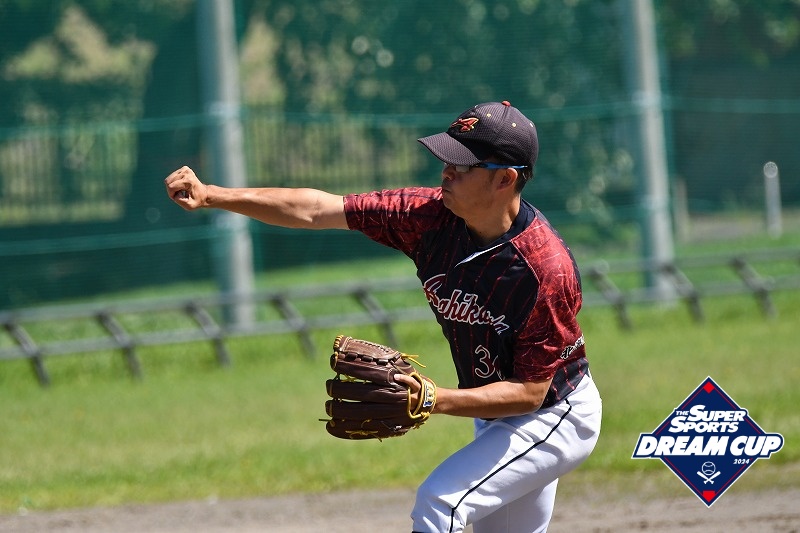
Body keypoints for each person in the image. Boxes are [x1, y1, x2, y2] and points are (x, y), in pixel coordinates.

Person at [164, 100, 602, 533]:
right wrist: (213, 195)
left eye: (462, 165)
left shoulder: (545, 268)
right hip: (494, 413)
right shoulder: (428, 218)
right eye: (446, 159)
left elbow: (529, 392)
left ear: (504, 178)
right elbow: (316, 209)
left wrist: (434, 399)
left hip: (554, 415)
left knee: (441, 502)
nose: (446, 172)